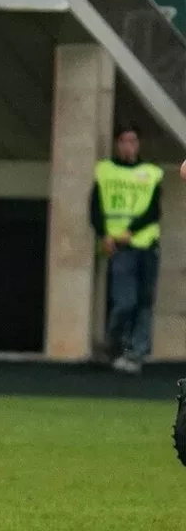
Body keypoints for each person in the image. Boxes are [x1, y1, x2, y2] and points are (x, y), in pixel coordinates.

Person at [90, 124, 163, 375]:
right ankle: (114, 346)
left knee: (144, 302)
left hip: (146, 245)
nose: (128, 146)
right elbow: (96, 208)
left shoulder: (151, 172)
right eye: (124, 141)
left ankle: (136, 353)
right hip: (120, 249)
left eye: (133, 141)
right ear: (117, 144)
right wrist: (104, 235)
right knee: (124, 302)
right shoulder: (105, 171)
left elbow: (154, 210)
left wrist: (130, 231)